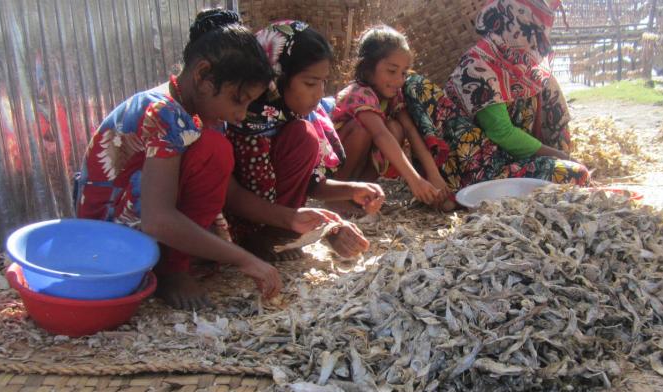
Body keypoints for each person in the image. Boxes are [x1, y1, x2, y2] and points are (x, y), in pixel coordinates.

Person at [75, 8, 280, 310]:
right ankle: (171, 269)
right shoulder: (164, 113)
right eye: (239, 100)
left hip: (141, 219)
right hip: (106, 236)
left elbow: (227, 193)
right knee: (215, 149)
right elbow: (158, 220)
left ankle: (172, 260)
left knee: (214, 149)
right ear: (202, 76)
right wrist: (243, 258)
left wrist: (291, 217)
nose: (240, 114)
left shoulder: (202, 110)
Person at [225, 20, 382, 261]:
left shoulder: (296, 116)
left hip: (282, 218)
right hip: (230, 221)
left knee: (304, 135)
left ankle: (276, 233)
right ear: (277, 75)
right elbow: (230, 195)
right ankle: (255, 237)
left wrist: (353, 190)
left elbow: (312, 183)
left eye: (323, 82)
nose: (319, 93)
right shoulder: (237, 115)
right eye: (310, 83)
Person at [402, 0, 591, 192]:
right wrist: (561, 157)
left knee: (575, 172)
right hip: (478, 165)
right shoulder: (478, 67)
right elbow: (502, 133)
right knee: (575, 174)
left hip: (513, 160)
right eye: (531, 32)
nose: (536, 43)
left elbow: (552, 116)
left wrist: (562, 155)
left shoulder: (526, 68)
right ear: (511, 26)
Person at [331, 25, 451, 209]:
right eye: (391, 71)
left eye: (403, 73)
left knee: (396, 127)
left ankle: (362, 195)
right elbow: (380, 134)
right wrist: (415, 180)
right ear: (368, 67)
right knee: (362, 130)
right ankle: (336, 199)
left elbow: (410, 130)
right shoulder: (358, 93)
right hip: (335, 172)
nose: (399, 80)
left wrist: (433, 175)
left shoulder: (394, 95)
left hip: (360, 173)